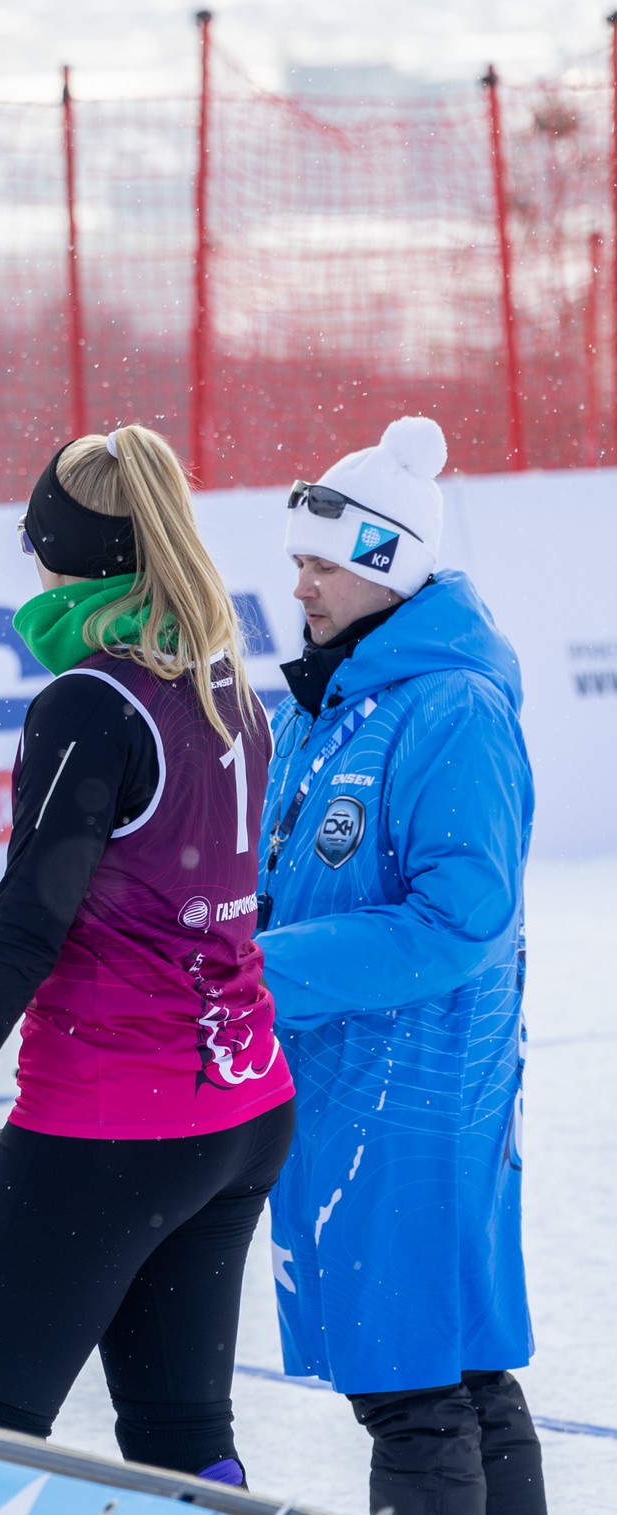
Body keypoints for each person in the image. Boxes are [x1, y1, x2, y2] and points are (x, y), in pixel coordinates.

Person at [0, 426, 293, 1485]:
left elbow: (23, 931)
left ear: (54, 551)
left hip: (111, 1126)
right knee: (181, 1449)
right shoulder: (223, 682)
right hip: (237, 1112)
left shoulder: (91, 701)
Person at [258, 417, 542, 1514]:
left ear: (389, 563)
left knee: (408, 1380)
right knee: (455, 1368)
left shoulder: (452, 709)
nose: (301, 587)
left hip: (414, 1089)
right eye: (296, 563)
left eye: (323, 564)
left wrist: (259, 967)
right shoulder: (331, 700)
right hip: (350, 1078)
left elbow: (463, 918)